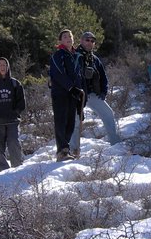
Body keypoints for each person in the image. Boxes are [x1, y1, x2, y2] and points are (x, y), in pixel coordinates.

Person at [69, 31, 120, 157]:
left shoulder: (95, 59)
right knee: (76, 121)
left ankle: (116, 145)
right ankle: (73, 151)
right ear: (81, 41)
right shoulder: (74, 56)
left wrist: (103, 92)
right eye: (87, 40)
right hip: (78, 94)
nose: (90, 43)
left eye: (92, 41)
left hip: (92, 94)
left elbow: (103, 77)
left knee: (108, 114)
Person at [0, 57, 26, 172]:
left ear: (8, 67)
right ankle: (2, 170)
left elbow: (21, 102)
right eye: (0, 65)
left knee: (14, 143)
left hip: (12, 121)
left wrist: (16, 112)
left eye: (5, 65)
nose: (3, 67)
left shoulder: (15, 84)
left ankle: (17, 169)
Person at [49, 29, 84, 162]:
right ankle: (61, 151)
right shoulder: (58, 55)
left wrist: (80, 93)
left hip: (73, 95)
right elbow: (58, 74)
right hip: (61, 94)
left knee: (70, 123)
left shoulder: (76, 56)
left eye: (70, 36)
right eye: (65, 36)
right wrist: (71, 88)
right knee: (61, 121)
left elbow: (79, 77)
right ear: (60, 41)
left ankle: (66, 149)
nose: (68, 38)